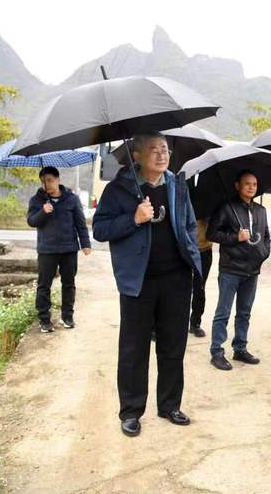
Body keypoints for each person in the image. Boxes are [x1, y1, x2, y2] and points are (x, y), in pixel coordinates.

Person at [93, 131, 202, 438]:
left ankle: (169, 405)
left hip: (176, 279)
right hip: (138, 282)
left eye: (164, 149)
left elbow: (189, 225)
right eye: (153, 149)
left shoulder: (177, 185)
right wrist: (134, 218)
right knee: (134, 349)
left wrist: (192, 258)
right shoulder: (119, 189)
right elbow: (100, 229)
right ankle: (131, 411)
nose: (161, 154)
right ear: (136, 155)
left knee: (173, 346)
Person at [206, 170, 270, 370]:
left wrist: (264, 253)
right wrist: (236, 237)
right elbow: (212, 234)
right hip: (231, 269)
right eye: (247, 183)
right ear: (237, 186)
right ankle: (216, 351)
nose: (251, 187)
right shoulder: (226, 207)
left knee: (244, 312)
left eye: (254, 184)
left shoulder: (261, 210)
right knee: (223, 312)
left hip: (252, 270)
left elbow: (266, 236)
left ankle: (240, 348)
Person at [27, 166, 91, 332]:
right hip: (46, 250)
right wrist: (43, 211)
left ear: (58, 180)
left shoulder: (72, 199)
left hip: (69, 249)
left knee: (69, 284)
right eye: (43, 181)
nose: (46, 184)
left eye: (50, 180)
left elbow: (80, 223)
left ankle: (67, 317)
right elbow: (31, 221)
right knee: (44, 285)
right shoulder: (36, 200)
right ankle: (44, 320)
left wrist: (85, 244)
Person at [189, 217, 213, 337]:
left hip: (204, 250)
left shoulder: (207, 208)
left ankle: (195, 323)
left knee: (199, 288)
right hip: (183, 248)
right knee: (178, 288)